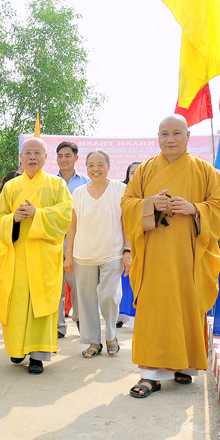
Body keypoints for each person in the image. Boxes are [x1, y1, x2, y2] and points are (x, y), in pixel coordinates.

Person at [121, 115, 220, 398]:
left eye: (176, 133)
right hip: (153, 256)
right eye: (164, 134)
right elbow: (127, 204)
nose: (170, 139)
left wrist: (195, 209)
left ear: (187, 136)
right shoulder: (144, 171)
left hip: (188, 257)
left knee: (186, 306)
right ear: (158, 137)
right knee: (154, 310)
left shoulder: (205, 171)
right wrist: (150, 204)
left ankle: (184, 365)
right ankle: (151, 375)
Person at [0, 137, 72, 374]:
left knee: (40, 304)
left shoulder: (57, 185)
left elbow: (65, 216)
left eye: (38, 152)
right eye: (27, 152)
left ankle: (38, 355)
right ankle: (17, 348)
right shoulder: (11, 187)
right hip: (17, 256)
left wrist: (37, 214)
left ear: (46, 158)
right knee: (17, 303)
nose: (32, 157)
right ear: (21, 157)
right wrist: (13, 219)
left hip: (43, 255)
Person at [63, 150, 131, 359]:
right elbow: (72, 227)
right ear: (86, 168)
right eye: (91, 165)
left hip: (112, 253)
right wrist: (68, 255)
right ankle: (93, 341)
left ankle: (111, 336)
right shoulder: (79, 193)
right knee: (86, 299)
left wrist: (127, 251)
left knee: (109, 295)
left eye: (100, 164)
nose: (96, 169)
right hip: (83, 254)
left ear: (109, 167)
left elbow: (127, 224)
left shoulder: (120, 189)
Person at [55, 141, 90, 338]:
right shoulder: (50, 182)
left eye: (68, 155)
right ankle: (58, 327)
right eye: (60, 156)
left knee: (79, 286)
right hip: (54, 240)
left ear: (76, 158)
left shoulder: (86, 183)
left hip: (78, 242)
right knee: (55, 287)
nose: (64, 159)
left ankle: (80, 321)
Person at [117, 161, 142, 328]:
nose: (135, 175)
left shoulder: (151, 192)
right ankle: (120, 316)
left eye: (139, 172)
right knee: (124, 280)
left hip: (143, 242)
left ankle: (137, 317)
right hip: (123, 243)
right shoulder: (121, 192)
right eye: (132, 172)